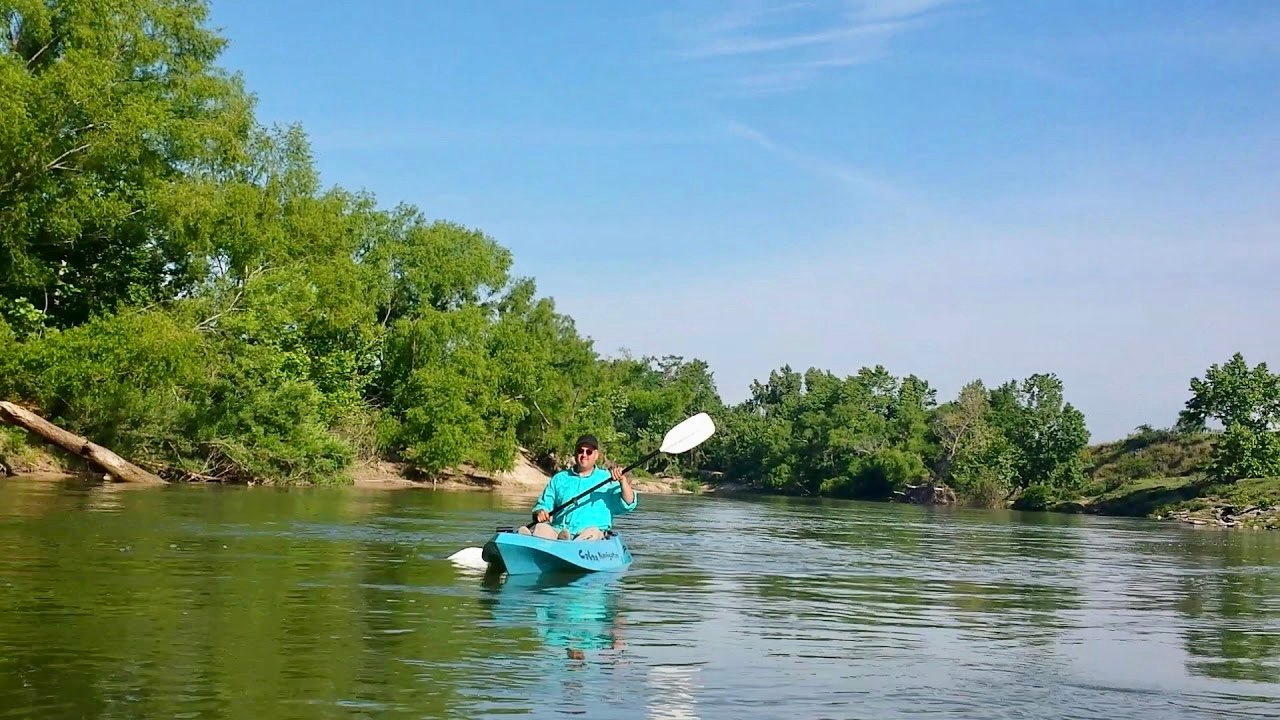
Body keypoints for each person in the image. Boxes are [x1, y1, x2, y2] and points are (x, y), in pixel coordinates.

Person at [519, 434, 637, 541]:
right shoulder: (559, 478)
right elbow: (543, 505)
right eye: (580, 451)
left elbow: (628, 503)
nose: (584, 455)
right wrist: (540, 512)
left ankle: (567, 547)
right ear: (575, 453)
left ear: (596, 455)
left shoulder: (608, 478)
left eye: (588, 452)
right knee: (541, 528)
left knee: (592, 533)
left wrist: (623, 481)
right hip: (559, 531)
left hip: (591, 535)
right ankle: (526, 542)